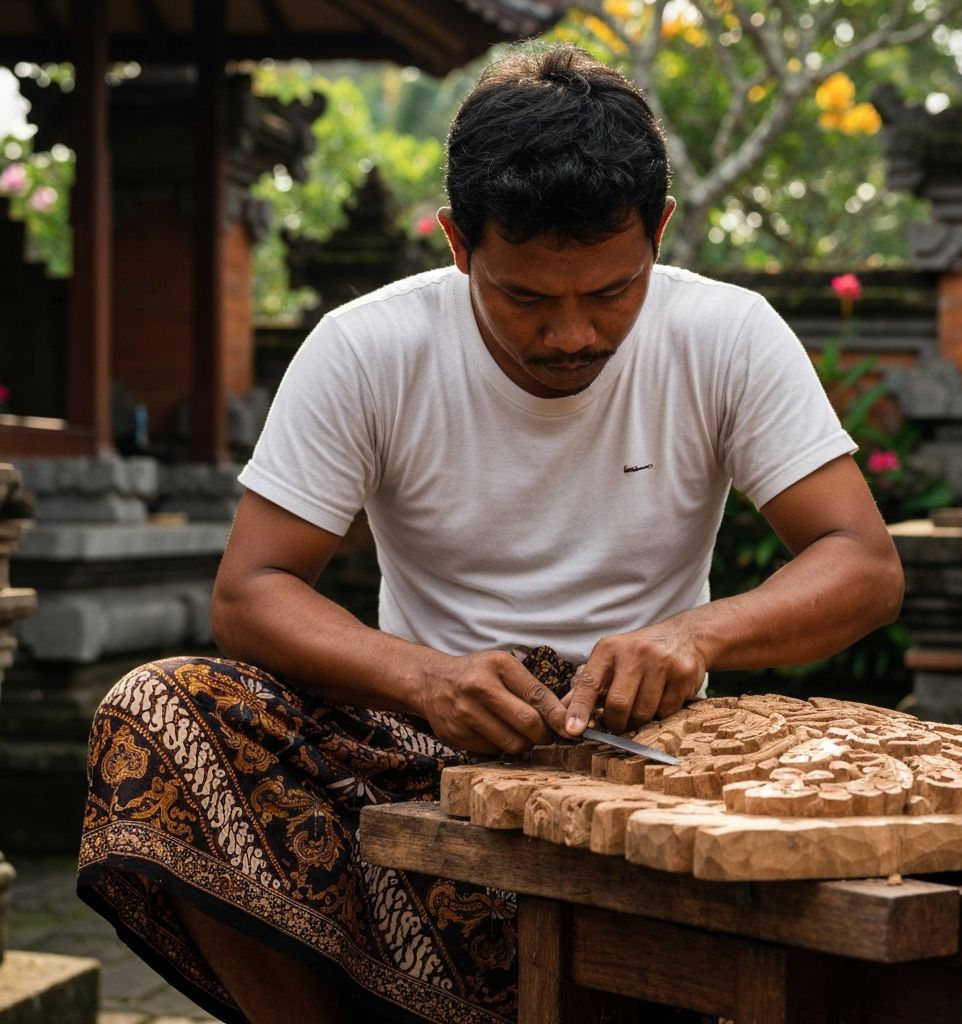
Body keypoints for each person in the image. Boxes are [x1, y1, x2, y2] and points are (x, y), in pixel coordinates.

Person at [78, 42, 903, 1024]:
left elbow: (861, 562)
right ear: (457, 243)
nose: (572, 335)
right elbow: (251, 590)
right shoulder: (368, 348)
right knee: (156, 711)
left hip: (637, 751)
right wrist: (424, 678)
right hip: (416, 735)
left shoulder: (727, 334)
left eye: (610, 292)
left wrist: (692, 636)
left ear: (660, 232)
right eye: (524, 297)